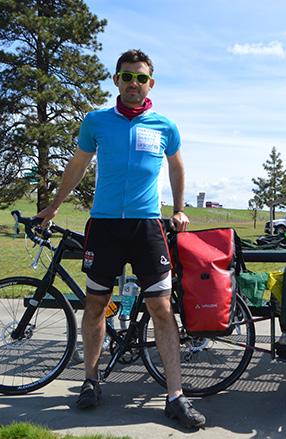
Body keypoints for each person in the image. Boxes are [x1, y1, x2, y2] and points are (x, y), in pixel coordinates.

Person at [35, 49, 206, 429]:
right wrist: (54, 206)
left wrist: (178, 209)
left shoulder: (165, 125)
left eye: (140, 78)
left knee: (162, 309)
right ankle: (91, 382)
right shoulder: (96, 122)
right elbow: (78, 164)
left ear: (151, 83)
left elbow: (177, 167)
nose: (133, 83)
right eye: (126, 77)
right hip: (105, 226)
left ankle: (175, 396)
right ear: (116, 80)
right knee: (95, 306)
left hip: (147, 227)